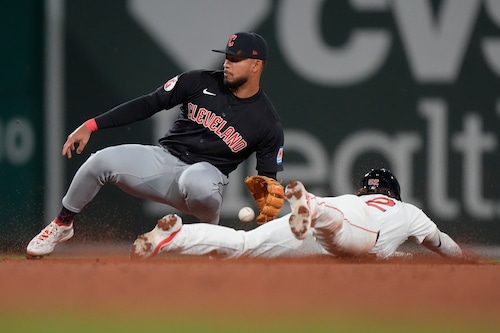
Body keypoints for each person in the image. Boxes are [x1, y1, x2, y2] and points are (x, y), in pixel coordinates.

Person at [27, 31, 284, 258]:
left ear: (256, 66)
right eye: (227, 57)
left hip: (207, 177)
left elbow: (268, 182)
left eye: (235, 59)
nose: (227, 64)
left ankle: (209, 237)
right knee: (99, 161)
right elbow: (147, 104)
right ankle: (62, 224)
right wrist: (92, 125)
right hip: (164, 161)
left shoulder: (267, 122)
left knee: (196, 181)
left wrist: (267, 213)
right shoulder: (198, 82)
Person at [130, 169, 463, 260]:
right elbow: (441, 244)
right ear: (395, 194)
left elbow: (394, 257)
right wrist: (466, 260)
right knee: (341, 232)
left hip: (318, 225)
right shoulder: (407, 211)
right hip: (355, 230)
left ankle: (174, 236)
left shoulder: (354, 198)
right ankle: (311, 205)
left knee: (244, 244)